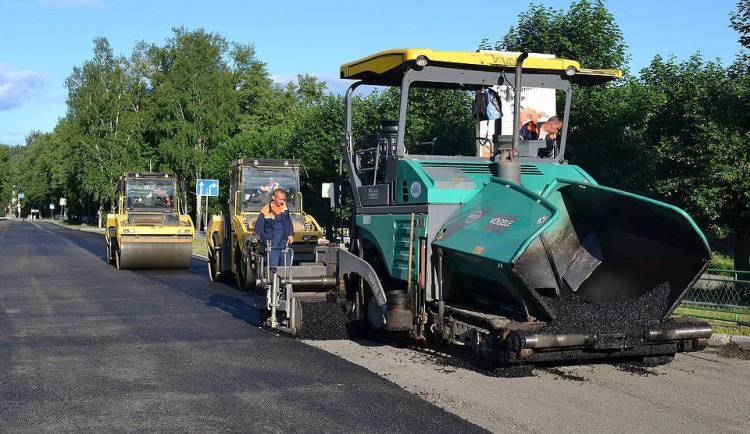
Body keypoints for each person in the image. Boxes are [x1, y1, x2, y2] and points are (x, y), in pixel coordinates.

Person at [255, 188, 295, 267]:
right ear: (273, 197)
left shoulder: (284, 207)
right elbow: (258, 228)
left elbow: (288, 221)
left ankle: (286, 279)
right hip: (272, 245)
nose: (282, 201)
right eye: (280, 199)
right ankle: (272, 279)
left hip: (284, 243)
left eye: (283, 199)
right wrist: (261, 240)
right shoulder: (265, 210)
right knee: (273, 266)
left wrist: (290, 234)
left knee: (287, 266)